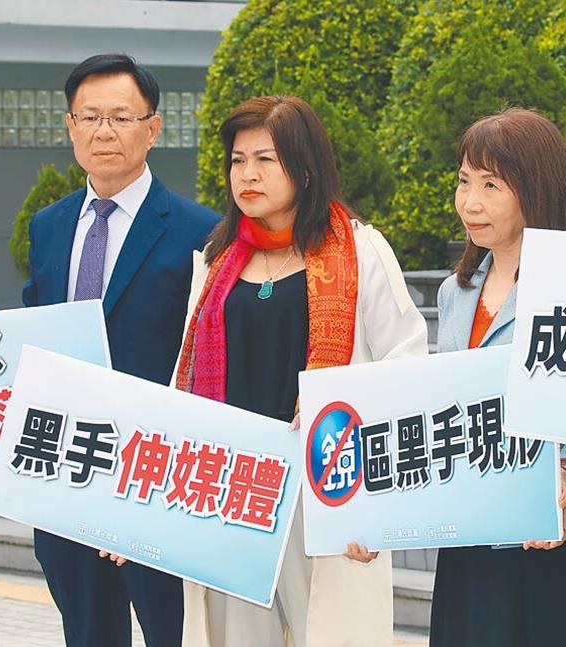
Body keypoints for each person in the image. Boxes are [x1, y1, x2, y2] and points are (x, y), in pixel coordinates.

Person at [0, 53, 221, 647]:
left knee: (174, 630)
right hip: (67, 468)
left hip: (154, 473)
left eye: (121, 117)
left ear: (153, 128)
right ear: (70, 127)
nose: (104, 132)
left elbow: (209, 356)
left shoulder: (201, 231)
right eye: (89, 117)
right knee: (88, 631)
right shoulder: (48, 225)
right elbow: (40, 327)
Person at [171, 95, 428, 647]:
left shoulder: (359, 249)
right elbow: (183, 379)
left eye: (266, 159)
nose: (248, 174)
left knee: (329, 631)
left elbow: (406, 363)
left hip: (324, 490)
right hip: (234, 492)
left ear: (305, 167)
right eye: (238, 160)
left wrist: (380, 503)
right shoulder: (217, 259)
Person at [430, 108, 566, 647]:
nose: (469, 202)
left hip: (560, 540)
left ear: (536, 190)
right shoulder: (455, 292)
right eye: (464, 182)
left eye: (491, 185)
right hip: (473, 536)